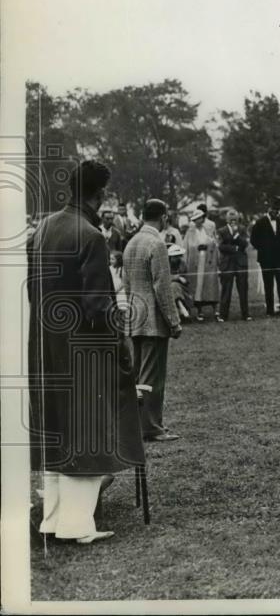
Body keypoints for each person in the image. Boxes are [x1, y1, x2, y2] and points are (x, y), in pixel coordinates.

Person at [28, 160, 145, 544]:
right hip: (83, 351)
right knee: (87, 431)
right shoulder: (91, 235)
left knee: (58, 430)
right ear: (99, 194)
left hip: (46, 345)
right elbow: (98, 307)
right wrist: (121, 346)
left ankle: (53, 519)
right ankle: (78, 525)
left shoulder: (44, 227)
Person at [123, 197, 184, 443]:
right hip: (154, 321)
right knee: (152, 377)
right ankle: (151, 427)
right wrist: (174, 321)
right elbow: (162, 286)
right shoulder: (156, 243)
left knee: (139, 374)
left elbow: (127, 285)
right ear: (164, 217)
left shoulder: (131, 242)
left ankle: (139, 424)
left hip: (136, 317)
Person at [250, 199, 280, 317]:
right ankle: (270, 310)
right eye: (273, 210)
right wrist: (264, 249)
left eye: (277, 210)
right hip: (266, 259)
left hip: (279, 258)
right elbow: (253, 240)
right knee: (268, 284)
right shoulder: (260, 223)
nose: (275, 212)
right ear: (269, 210)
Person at [182, 208, 221, 321]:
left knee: (211, 285)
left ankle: (215, 310)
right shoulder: (190, 232)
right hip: (196, 261)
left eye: (199, 218)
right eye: (195, 219)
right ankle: (200, 311)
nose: (197, 221)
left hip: (208, 261)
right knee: (198, 286)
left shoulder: (209, 229)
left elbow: (214, 243)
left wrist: (208, 246)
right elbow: (186, 247)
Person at [218, 209, 252, 322]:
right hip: (227, 264)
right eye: (230, 218)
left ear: (238, 219)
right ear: (226, 219)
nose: (233, 220)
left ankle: (246, 314)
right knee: (226, 290)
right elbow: (221, 247)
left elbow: (245, 243)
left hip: (240, 263)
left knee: (243, 289)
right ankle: (223, 315)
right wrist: (235, 248)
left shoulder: (242, 229)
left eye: (235, 218)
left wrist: (236, 236)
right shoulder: (221, 231)